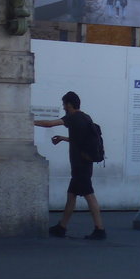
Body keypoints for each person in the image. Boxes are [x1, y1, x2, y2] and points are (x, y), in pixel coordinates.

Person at [35, 91, 106, 240]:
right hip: (83, 165)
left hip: (81, 166)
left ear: (69, 104)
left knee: (89, 196)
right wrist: (63, 138)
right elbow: (80, 141)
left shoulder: (73, 118)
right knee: (71, 196)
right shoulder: (86, 117)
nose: (63, 107)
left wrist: (29, 121)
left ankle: (99, 229)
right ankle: (61, 227)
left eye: (64, 104)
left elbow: (49, 124)